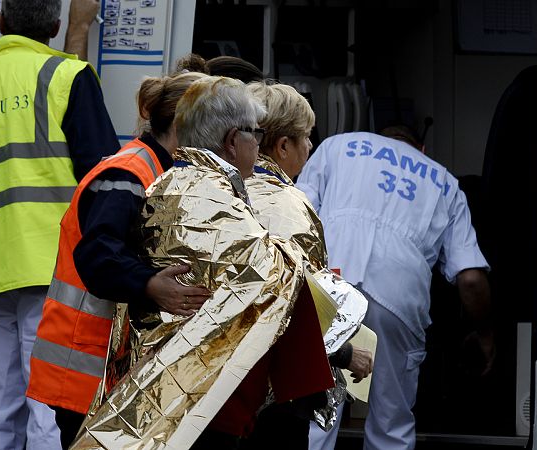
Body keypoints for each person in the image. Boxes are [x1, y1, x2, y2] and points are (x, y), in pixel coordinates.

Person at [70, 76, 333, 450]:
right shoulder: (213, 198)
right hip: (200, 396)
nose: (258, 146)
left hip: (166, 388)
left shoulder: (171, 183)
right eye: (254, 135)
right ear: (231, 141)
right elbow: (276, 277)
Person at [0, 0, 120, 447]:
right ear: (55, 26)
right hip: (56, 274)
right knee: (49, 410)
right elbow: (103, 182)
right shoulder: (68, 78)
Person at [26, 71, 211, 449]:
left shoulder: (158, 169)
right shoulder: (128, 173)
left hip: (105, 369)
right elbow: (98, 256)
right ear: (183, 124)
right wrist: (150, 284)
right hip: (86, 370)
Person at [296, 130, 495, 450]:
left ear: (378, 137)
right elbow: (470, 280)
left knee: (316, 417)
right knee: (391, 424)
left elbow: (298, 214)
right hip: (398, 298)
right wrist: (485, 334)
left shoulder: (339, 145)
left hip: (331, 282)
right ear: (422, 148)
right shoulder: (445, 183)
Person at [240, 81, 373, 450]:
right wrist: (345, 354)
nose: (311, 147)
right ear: (283, 146)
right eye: (307, 138)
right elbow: (293, 309)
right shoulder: (289, 206)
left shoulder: (226, 190)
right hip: (276, 392)